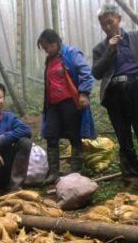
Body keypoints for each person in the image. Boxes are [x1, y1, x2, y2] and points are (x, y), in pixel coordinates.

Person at [92, 4, 138, 192]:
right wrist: (110, 49)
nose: (107, 27)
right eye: (103, 24)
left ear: (119, 19)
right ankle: (132, 179)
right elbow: (97, 72)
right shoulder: (100, 48)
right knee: (124, 138)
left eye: (110, 22)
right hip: (114, 94)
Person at [38, 29, 96, 185]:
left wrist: (83, 93)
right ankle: (53, 172)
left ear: (55, 43)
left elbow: (85, 72)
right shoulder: (49, 60)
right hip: (53, 105)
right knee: (51, 135)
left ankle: (75, 172)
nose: (45, 51)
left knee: (74, 135)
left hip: (70, 102)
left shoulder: (71, 53)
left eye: (46, 47)